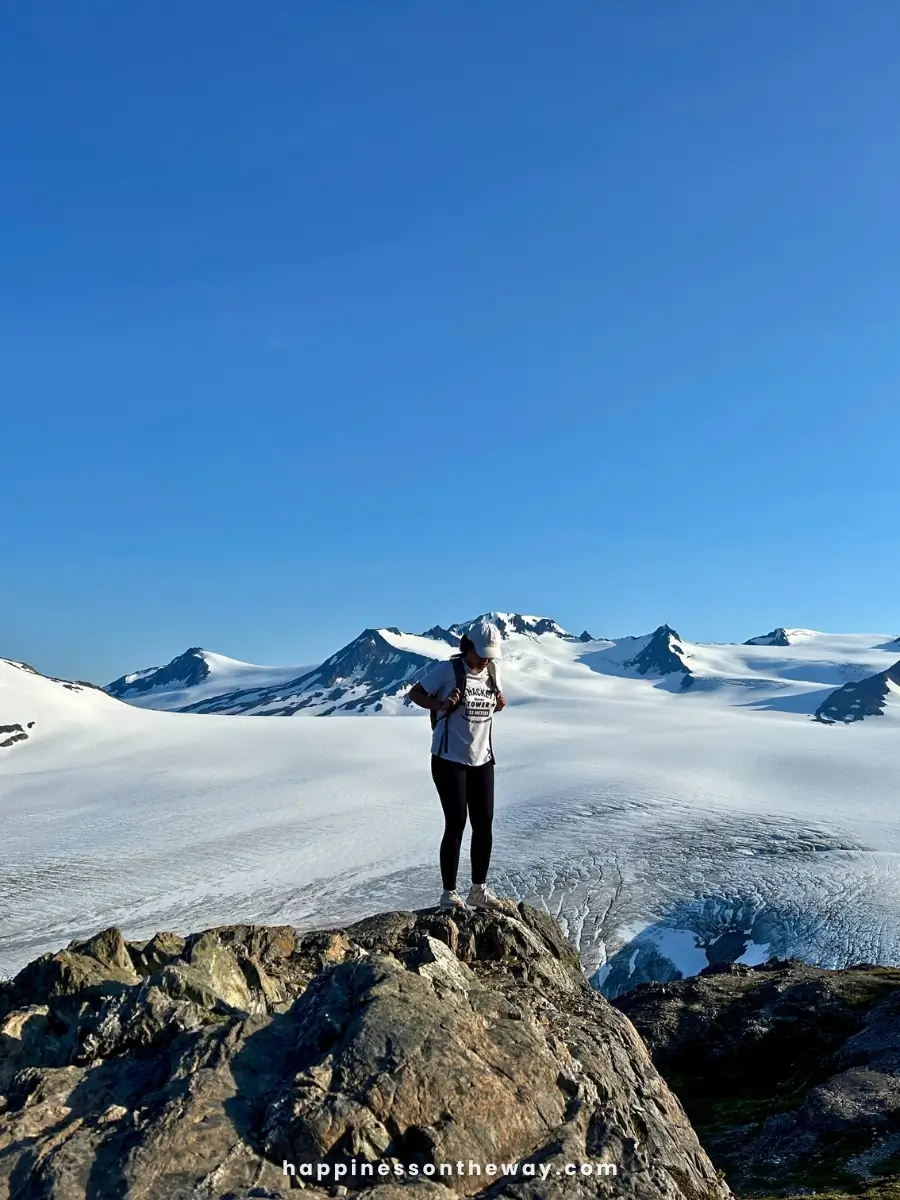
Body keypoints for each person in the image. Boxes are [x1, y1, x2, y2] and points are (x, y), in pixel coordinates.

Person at [407, 619, 511, 912]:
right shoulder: (448, 670)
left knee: (484, 824)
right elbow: (415, 693)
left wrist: (499, 701)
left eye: (490, 654)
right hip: (449, 759)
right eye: (482, 653)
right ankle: (449, 893)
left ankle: (478, 889)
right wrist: (440, 705)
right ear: (469, 647)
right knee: (456, 824)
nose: (486, 659)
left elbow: (491, 703)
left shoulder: (492, 672)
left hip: (482, 758)